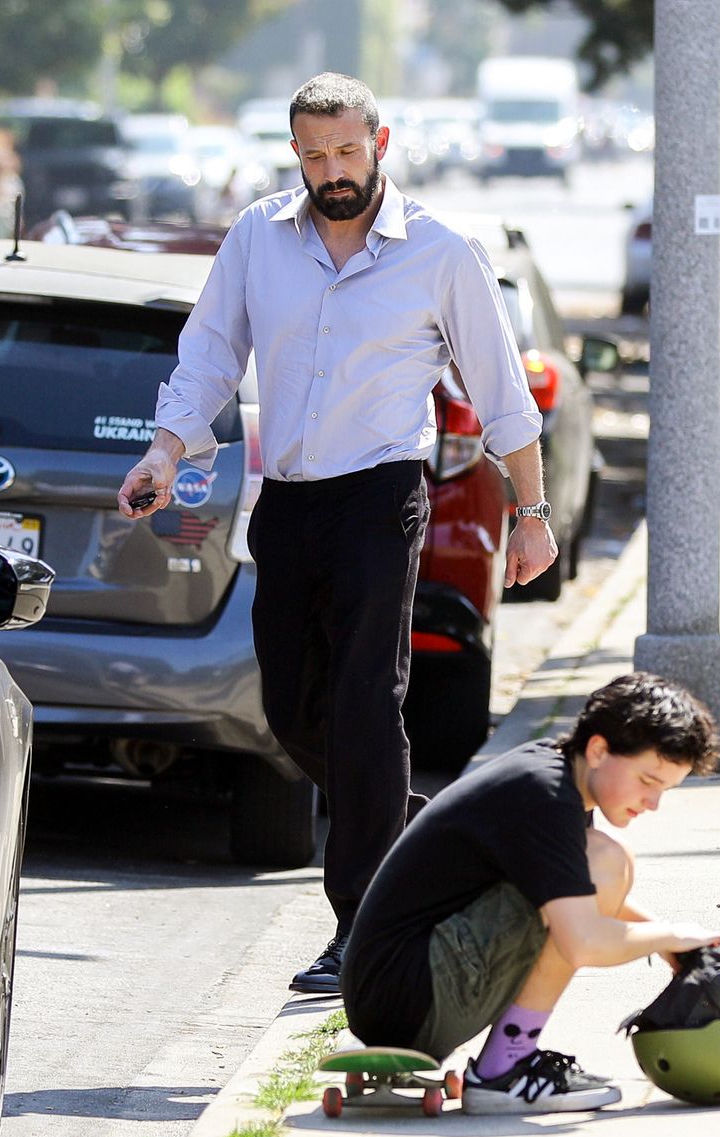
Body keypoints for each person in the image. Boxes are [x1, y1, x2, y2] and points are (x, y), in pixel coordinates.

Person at [117, 73, 556, 993]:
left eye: (347, 151)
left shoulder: (440, 250)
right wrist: (163, 452)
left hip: (379, 496)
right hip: (289, 497)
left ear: (380, 142)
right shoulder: (257, 238)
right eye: (314, 155)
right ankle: (407, 825)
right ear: (296, 156)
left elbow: (500, 391)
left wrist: (530, 514)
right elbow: (207, 358)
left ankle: (361, 923)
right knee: (289, 710)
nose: (332, 171)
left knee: (364, 701)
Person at [340, 672, 720, 1114]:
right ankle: (505, 1070)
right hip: (410, 994)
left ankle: (508, 1063)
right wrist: (668, 936)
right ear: (599, 750)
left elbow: (582, 894)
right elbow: (582, 940)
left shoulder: (555, 775)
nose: (653, 802)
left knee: (599, 864)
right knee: (606, 860)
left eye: (665, 790)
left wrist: (673, 947)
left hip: (397, 994)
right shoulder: (544, 797)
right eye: (647, 781)